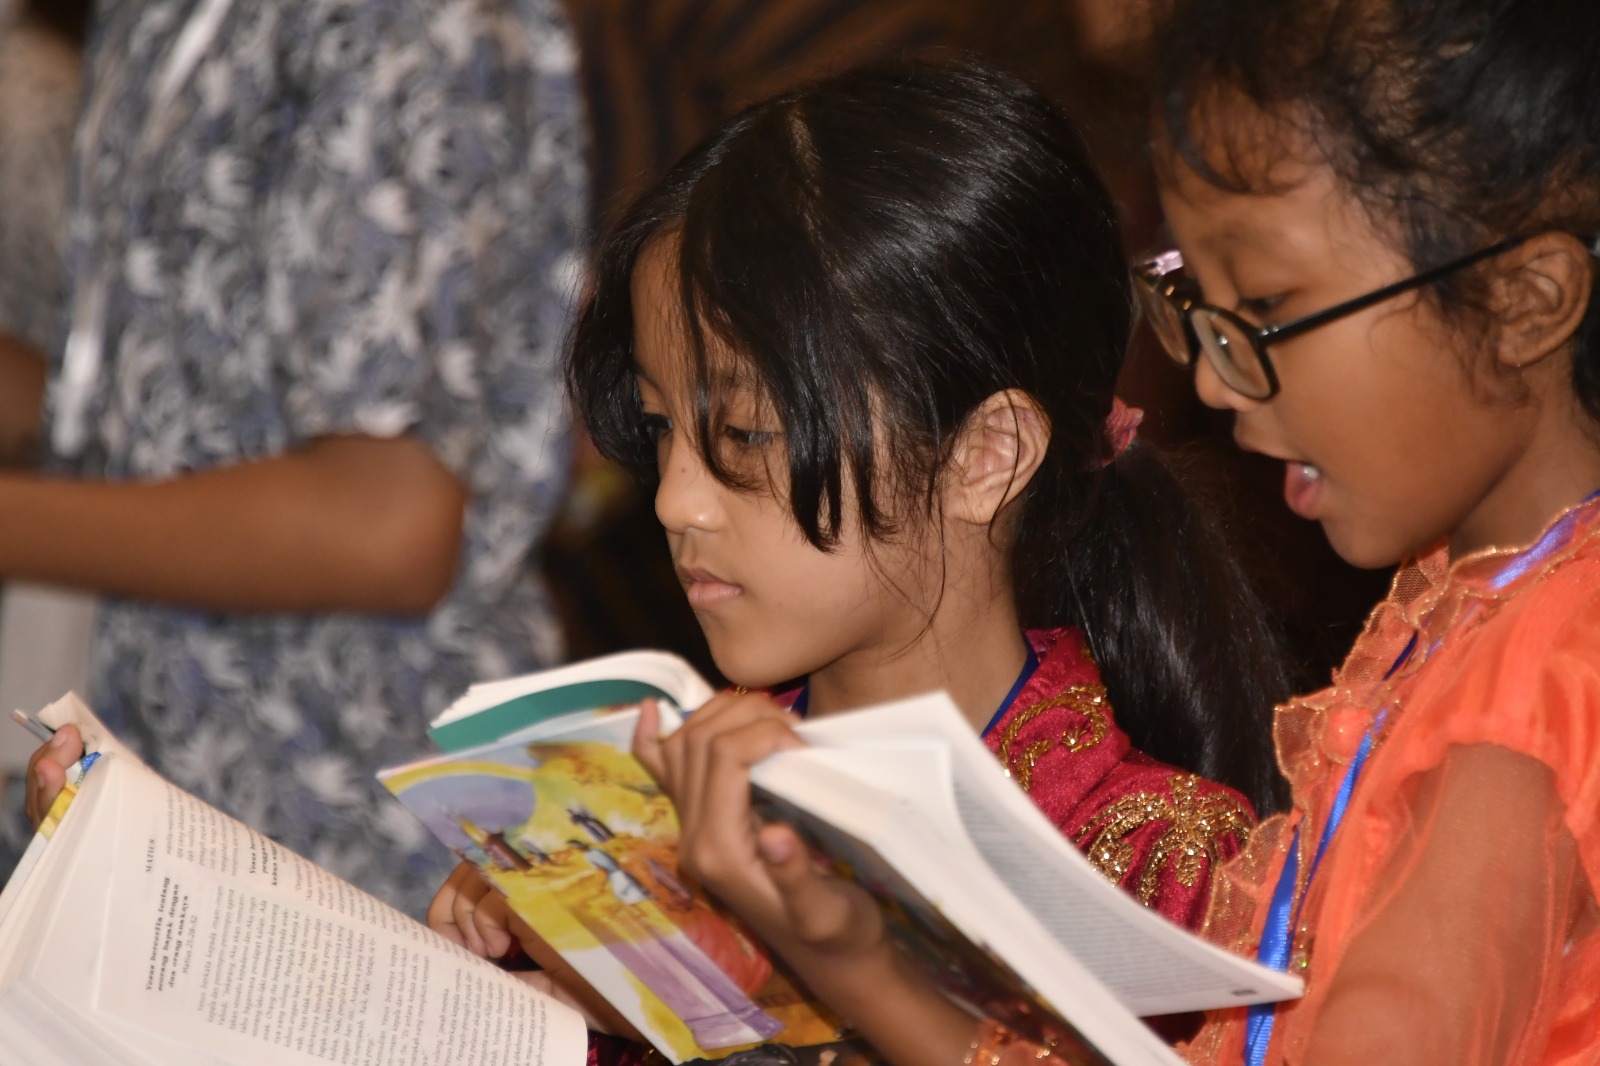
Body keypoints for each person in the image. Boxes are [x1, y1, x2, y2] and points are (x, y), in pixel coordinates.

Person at [428, 57, 1295, 1063]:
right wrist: (531, 1001)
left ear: (985, 457)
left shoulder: (1148, 856)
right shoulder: (656, 809)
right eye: (662, 427)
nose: (673, 500)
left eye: (745, 435)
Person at [4, 0, 589, 917]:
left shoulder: (407, 23)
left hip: (349, 824)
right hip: (154, 768)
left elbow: (387, 524)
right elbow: (159, 406)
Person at [1132, 0, 1600, 1063]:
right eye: (1194, 300)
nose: (1211, 379)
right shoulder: (1467, 594)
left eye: (1263, 305)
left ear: (1522, 302)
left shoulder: (1540, 674)